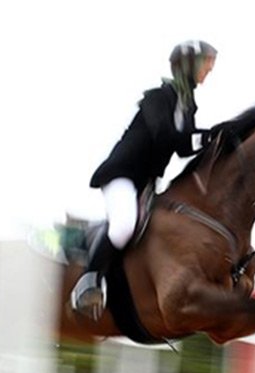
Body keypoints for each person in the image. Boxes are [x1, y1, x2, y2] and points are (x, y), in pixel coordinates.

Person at [71, 40, 218, 320]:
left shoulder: (187, 106)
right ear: (189, 65)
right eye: (205, 66)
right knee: (125, 225)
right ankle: (88, 282)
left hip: (146, 185)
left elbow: (185, 148)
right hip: (122, 175)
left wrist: (216, 137)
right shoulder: (158, 97)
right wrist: (205, 135)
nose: (207, 73)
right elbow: (164, 136)